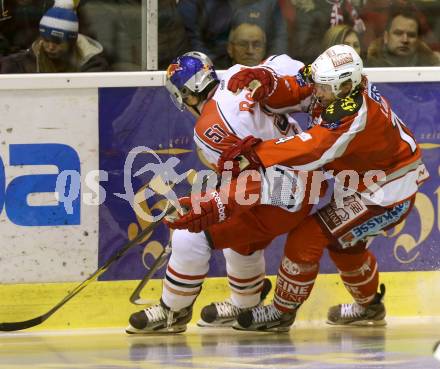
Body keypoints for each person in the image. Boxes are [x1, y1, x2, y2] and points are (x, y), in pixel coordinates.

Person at [168, 44, 429, 331]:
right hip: (367, 182)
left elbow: (313, 150)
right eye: (317, 83)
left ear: (345, 88)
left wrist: (257, 154)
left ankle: (281, 313)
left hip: (387, 191)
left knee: (307, 237)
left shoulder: (353, 116)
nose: (316, 91)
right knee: (346, 245)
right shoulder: (331, 81)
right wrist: (269, 83)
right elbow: (297, 86)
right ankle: (370, 308)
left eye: (323, 88)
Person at [126, 51, 319, 334]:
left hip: (279, 195)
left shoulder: (207, 129)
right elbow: (289, 65)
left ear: (186, 97)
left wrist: (211, 201)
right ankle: (245, 304)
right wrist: (269, 76)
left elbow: (245, 181)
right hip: (306, 182)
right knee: (241, 239)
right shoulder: (239, 75)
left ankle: (173, 312)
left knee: (190, 235)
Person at [1, 0, 108, 73]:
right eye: (46, 40)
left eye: (57, 42)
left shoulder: (93, 65)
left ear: (71, 42)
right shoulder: (20, 64)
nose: (51, 47)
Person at [177, 0, 288, 69]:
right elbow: (192, 39)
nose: (250, 50)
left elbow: (278, 40)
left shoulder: (269, 4)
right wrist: (217, 69)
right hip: (217, 70)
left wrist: (269, 70)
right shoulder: (196, 4)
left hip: (262, 70)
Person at [366, 7, 440, 67]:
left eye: (411, 35)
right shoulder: (368, 68)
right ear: (386, 37)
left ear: (418, 40)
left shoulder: (430, 67)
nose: (405, 40)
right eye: (398, 33)